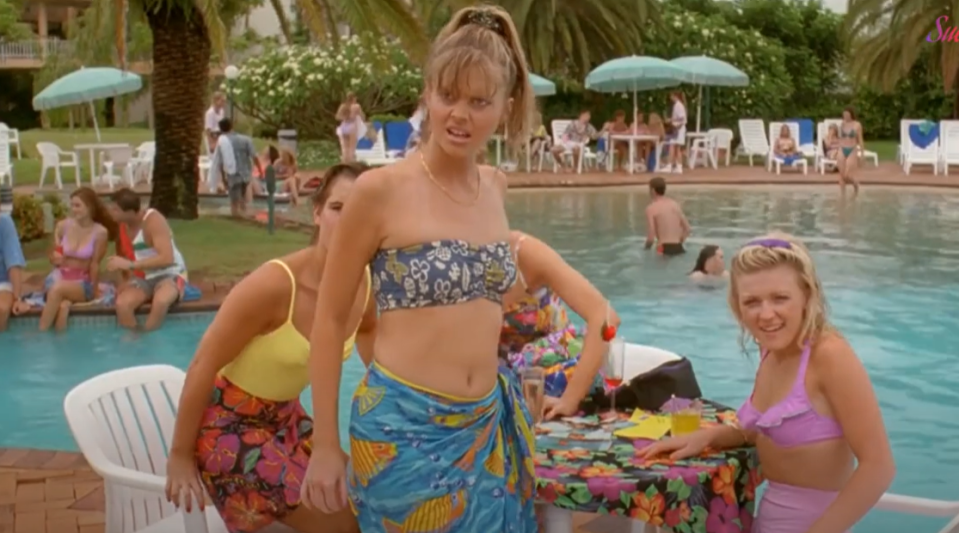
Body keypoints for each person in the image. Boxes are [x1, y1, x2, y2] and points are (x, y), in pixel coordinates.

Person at [300, 5, 538, 532]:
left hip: (486, 428)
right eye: (447, 96)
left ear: (506, 104)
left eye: (479, 101)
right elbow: (331, 320)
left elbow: (494, 299)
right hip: (402, 431)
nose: (460, 114)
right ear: (427, 92)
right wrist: (324, 444)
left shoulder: (495, 187)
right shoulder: (379, 192)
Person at [164, 163, 375, 533]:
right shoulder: (276, 286)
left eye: (362, 212)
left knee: (374, 500)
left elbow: (374, 341)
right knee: (345, 524)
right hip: (228, 428)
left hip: (286, 420)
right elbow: (203, 363)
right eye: (338, 209)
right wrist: (179, 457)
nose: (349, 222)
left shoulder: (367, 285)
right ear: (317, 212)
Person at [641, 233, 895, 533]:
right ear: (737, 306)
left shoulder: (829, 355)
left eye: (780, 298)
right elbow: (764, 429)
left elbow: (878, 468)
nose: (766, 314)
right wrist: (709, 437)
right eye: (752, 301)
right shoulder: (771, 350)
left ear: (807, 295)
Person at [500, 231, 620, 419]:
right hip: (505, 388)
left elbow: (605, 317)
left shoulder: (523, 252)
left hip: (559, 376)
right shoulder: (450, 268)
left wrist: (570, 400)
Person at [106, 188, 189, 331]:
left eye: (115, 209)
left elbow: (167, 258)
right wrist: (126, 280)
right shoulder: (123, 226)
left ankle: (148, 337)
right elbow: (126, 258)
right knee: (122, 304)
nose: (110, 212)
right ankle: (136, 342)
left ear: (130, 212)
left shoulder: (153, 220)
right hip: (145, 276)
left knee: (161, 302)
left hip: (171, 273)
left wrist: (131, 265)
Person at [38, 187, 116, 331]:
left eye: (78, 205)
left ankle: (40, 333)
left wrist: (94, 291)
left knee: (57, 290)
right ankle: (65, 307)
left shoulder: (100, 232)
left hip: (82, 281)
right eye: (72, 205)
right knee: (59, 298)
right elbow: (53, 256)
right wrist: (54, 258)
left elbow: (94, 264)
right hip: (60, 276)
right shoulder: (63, 226)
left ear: (90, 207)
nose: (74, 209)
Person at [210, 118, 262, 217]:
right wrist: (260, 170)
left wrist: (223, 179)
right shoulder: (246, 139)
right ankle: (245, 218)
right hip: (246, 175)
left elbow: (220, 162)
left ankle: (237, 219)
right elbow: (254, 157)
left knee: (234, 202)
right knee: (243, 200)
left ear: (221, 130)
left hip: (233, 176)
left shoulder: (222, 142)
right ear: (232, 126)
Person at [0, 187, 29, 331]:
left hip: (2, 283)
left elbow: (13, 263)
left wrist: (17, 298)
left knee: (1, 309)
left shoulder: (3, 222)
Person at [644, 176, 690, 256]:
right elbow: (687, 229)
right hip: (679, 247)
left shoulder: (651, 208)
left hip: (662, 248)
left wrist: (646, 249)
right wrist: (679, 242)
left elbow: (651, 235)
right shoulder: (674, 204)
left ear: (653, 190)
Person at [837, 107, 863, 194]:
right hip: (842, 148)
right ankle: (842, 195)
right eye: (844, 115)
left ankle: (855, 184)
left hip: (852, 149)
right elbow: (840, 138)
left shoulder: (857, 125)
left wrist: (862, 154)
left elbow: (860, 140)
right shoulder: (842, 124)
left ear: (851, 115)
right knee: (841, 175)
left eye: (847, 115)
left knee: (847, 174)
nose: (845, 116)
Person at [336, 93, 364, 163]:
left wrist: (345, 117)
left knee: (344, 148)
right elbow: (362, 117)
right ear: (354, 98)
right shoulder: (356, 106)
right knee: (352, 148)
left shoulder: (343, 106)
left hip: (343, 126)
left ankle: (344, 163)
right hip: (352, 127)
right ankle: (350, 164)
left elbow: (337, 117)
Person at [664, 91, 687, 174]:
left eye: (671, 95)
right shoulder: (678, 105)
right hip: (678, 129)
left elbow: (681, 118)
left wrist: (670, 120)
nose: (670, 97)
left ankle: (670, 165)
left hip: (678, 129)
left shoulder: (678, 105)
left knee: (673, 146)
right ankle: (678, 166)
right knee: (676, 148)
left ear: (674, 96)